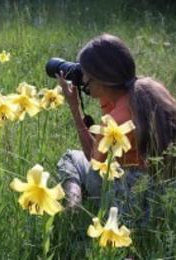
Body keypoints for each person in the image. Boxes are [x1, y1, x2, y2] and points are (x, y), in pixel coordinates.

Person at [56, 34, 176, 216]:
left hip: (129, 201)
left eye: (85, 73)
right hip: (162, 194)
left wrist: (74, 107)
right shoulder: (151, 90)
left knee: (71, 158)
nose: (82, 77)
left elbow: (94, 162)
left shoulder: (114, 122)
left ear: (98, 78)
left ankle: (73, 205)